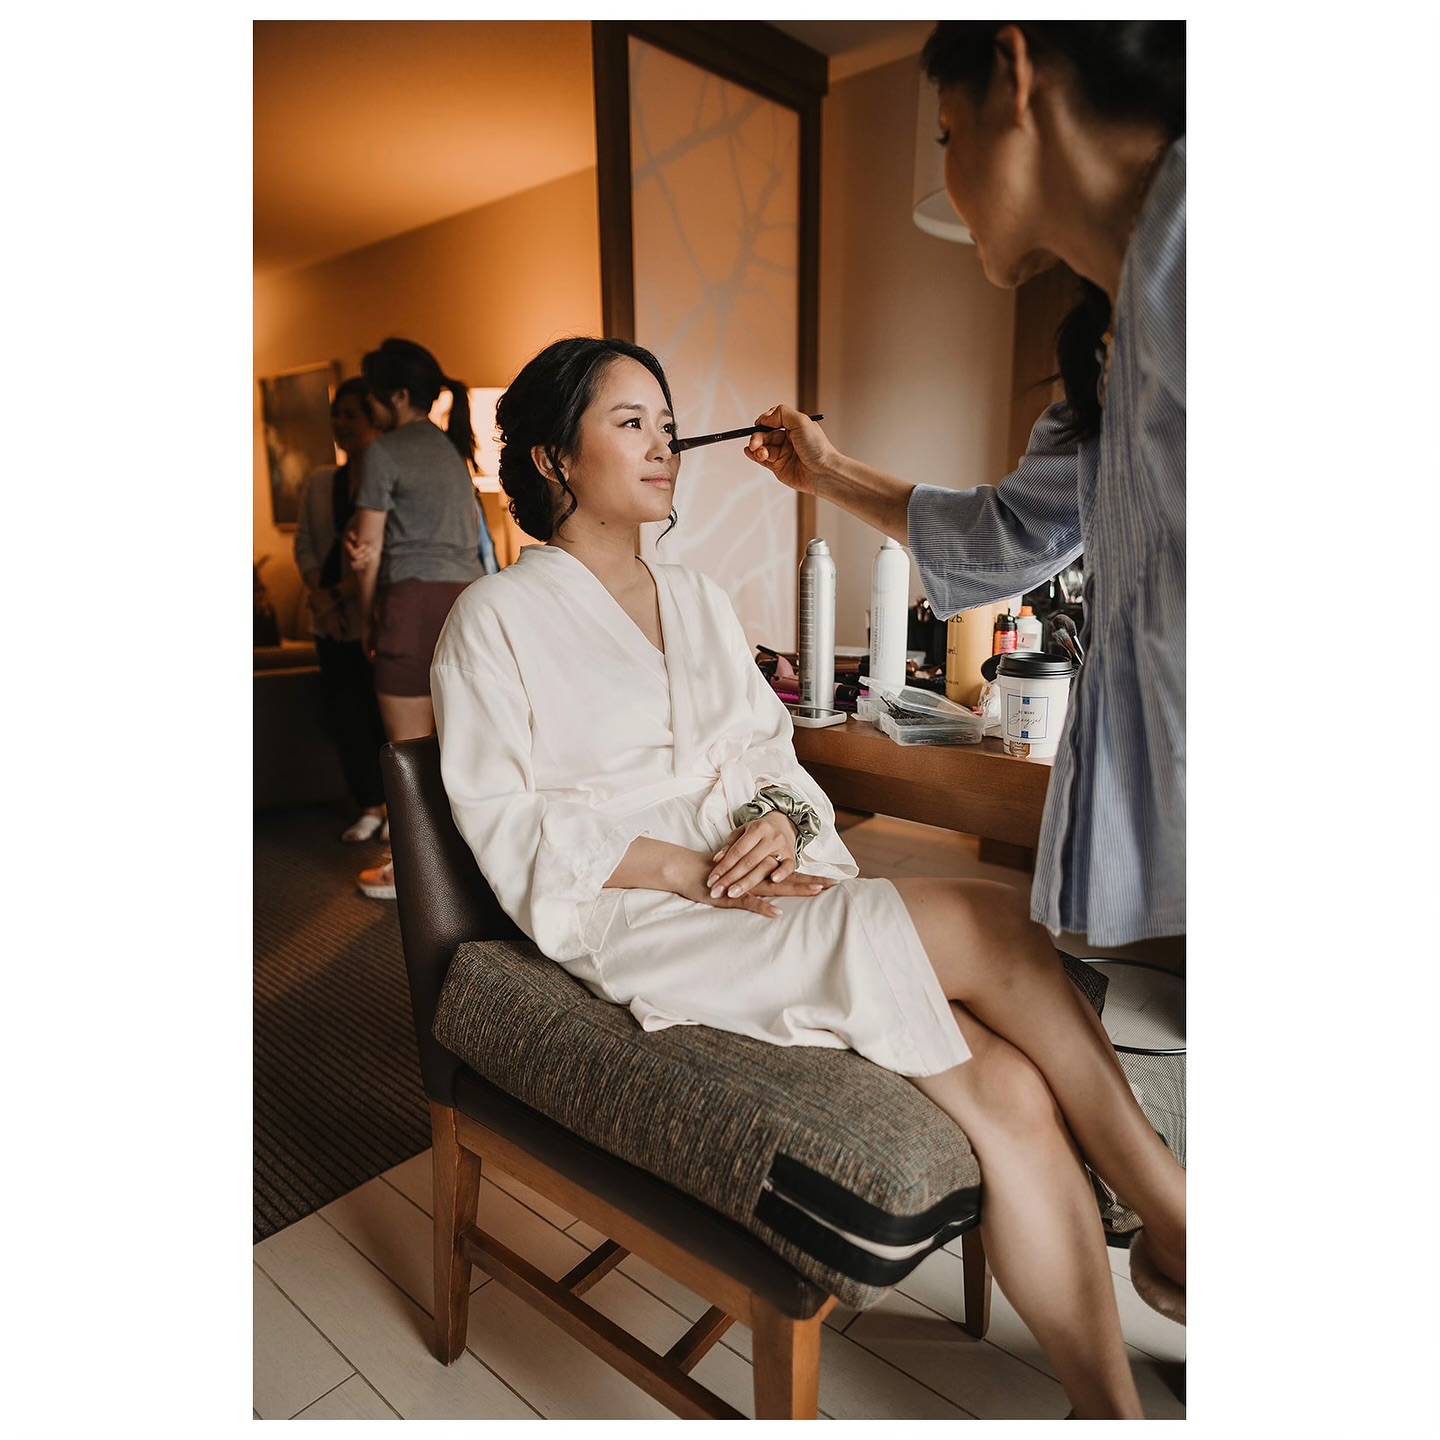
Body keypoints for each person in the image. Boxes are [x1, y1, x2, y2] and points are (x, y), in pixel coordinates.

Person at [430, 336, 1185, 1420]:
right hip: (641, 911)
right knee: (991, 921)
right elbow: (511, 827)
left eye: (666, 418)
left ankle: (1105, 1408)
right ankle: (1182, 1220)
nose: (665, 443)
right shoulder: (491, 621)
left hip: (757, 884)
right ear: (554, 458)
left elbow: (768, 758)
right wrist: (691, 869)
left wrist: (779, 828)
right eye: (630, 421)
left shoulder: (692, 597)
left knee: (1010, 1089)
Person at [346, 338, 483, 899]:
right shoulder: (454, 452)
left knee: (406, 752)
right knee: (459, 743)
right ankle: (460, 869)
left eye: (373, 399)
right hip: (469, 605)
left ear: (397, 397)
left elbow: (368, 548)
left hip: (412, 601)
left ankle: (409, 872)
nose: (369, 410)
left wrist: (365, 616)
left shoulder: (384, 451)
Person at [292, 377, 392, 843]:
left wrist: (338, 597)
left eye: (352, 414)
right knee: (345, 714)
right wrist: (319, 597)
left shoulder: (384, 478)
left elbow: (381, 553)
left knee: (380, 715)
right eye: (338, 414)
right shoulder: (318, 481)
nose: (341, 423)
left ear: (374, 423)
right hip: (326, 618)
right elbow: (306, 545)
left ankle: (395, 807)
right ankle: (367, 803)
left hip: (367, 616)